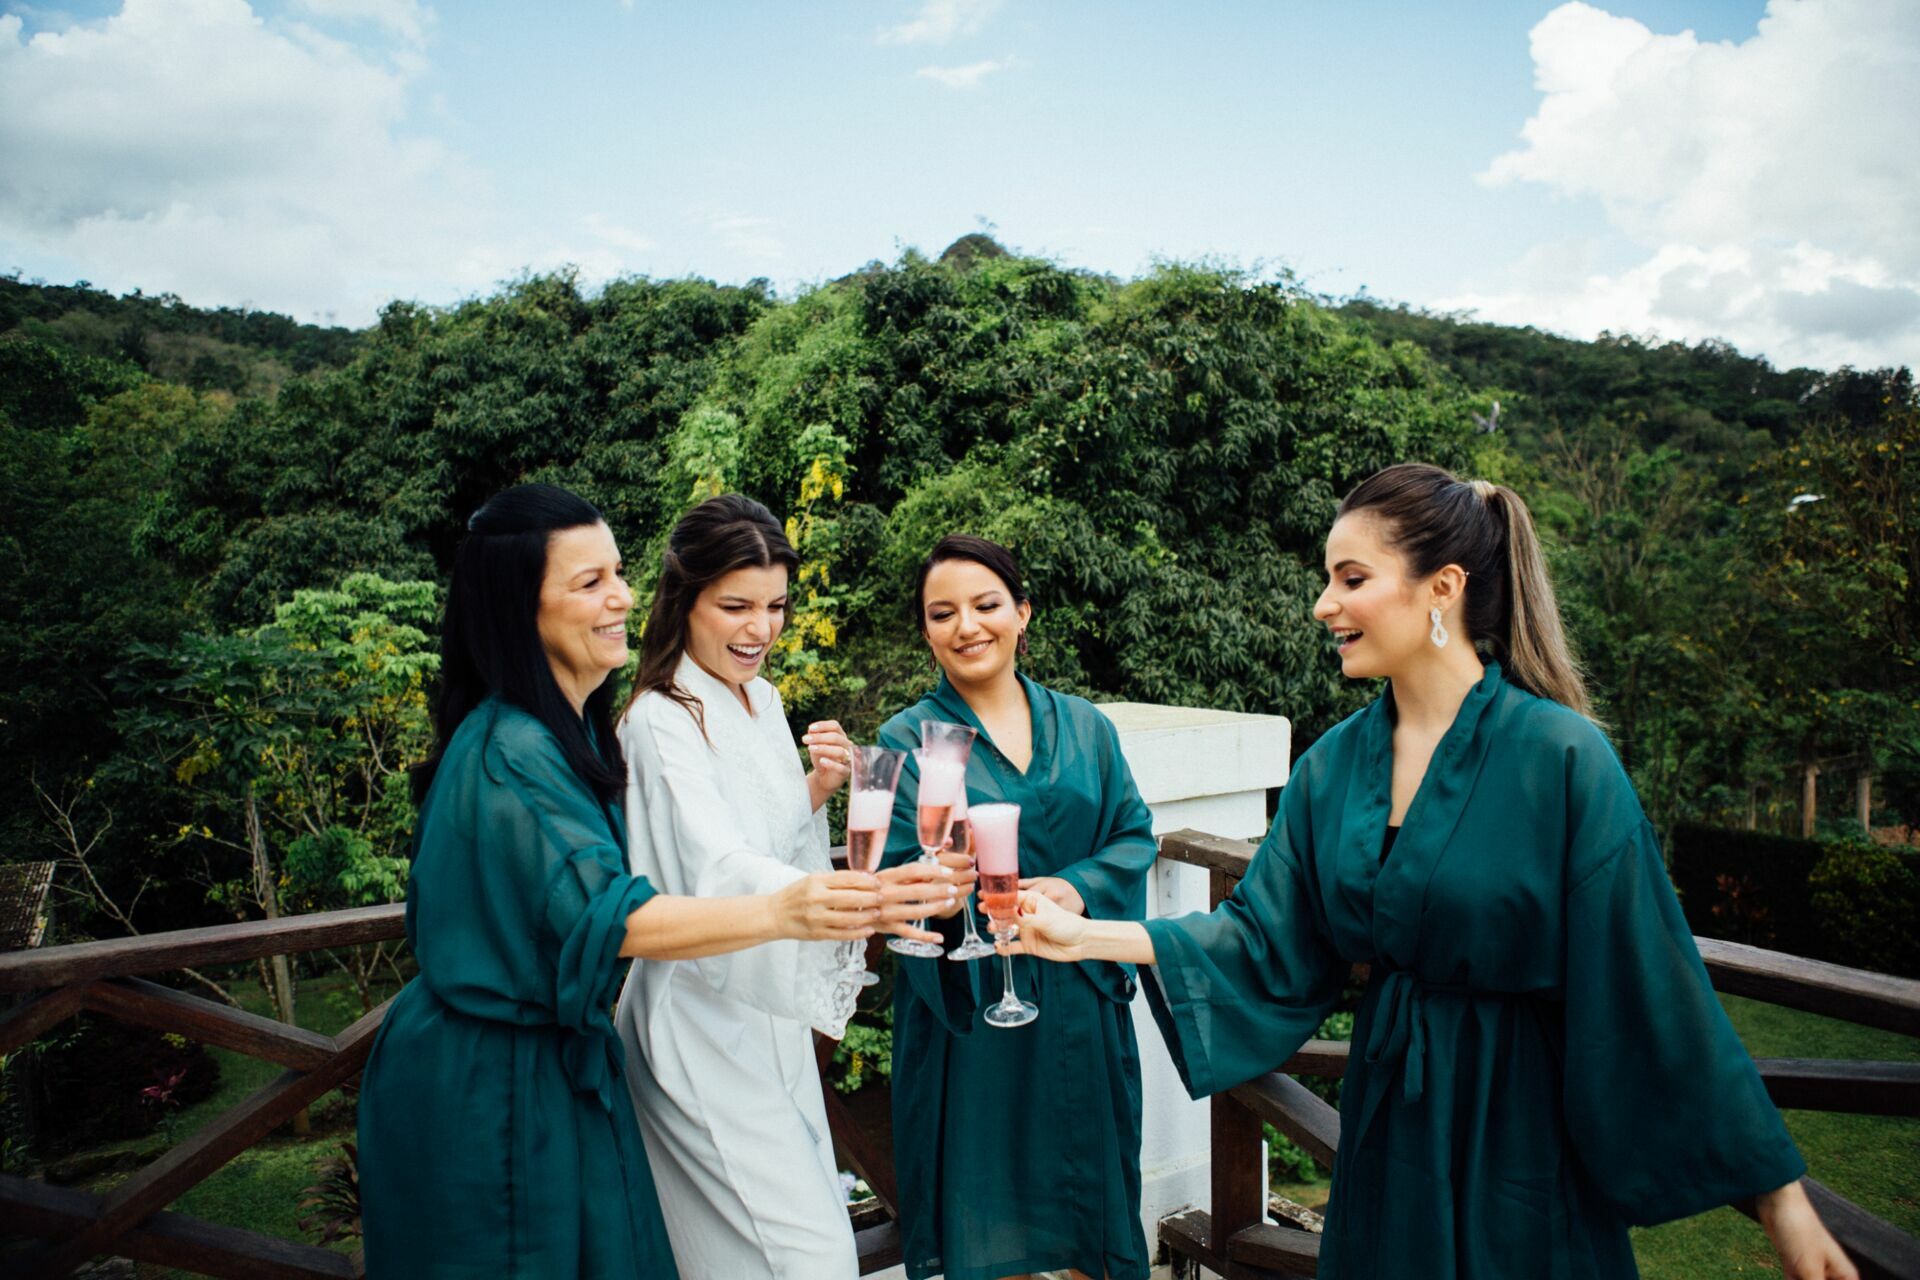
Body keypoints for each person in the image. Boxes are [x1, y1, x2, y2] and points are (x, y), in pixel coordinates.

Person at [1006, 463, 1858, 1280]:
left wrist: (1780, 1199)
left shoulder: (1561, 759)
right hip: (1389, 1121)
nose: (1322, 604)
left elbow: (1652, 982)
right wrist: (1086, 936)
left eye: (1350, 578)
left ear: (1441, 587)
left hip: (1521, 1125)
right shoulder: (1335, 766)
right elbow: (1261, 934)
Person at [358, 484, 891, 1279]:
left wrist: (813, 804)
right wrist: (794, 906)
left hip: (559, 1061)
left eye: (617, 574)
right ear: (517, 606)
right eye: (589, 582)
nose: (623, 596)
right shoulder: (513, 751)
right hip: (486, 1078)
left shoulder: (563, 731)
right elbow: (613, 914)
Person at [613, 494, 954, 1279]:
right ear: (683, 599)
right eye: (734, 606)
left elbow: (757, 834)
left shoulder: (760, 698)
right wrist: (874, 899)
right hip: (699, 1018)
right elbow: (715, 869)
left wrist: (817, 785)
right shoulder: (660, 720)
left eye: (774, 607)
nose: (759, 630)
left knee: (751, 1258)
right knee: (812, 1259)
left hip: (769, 1015)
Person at [879, 534, 1159, 1280]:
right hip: (971, 1011)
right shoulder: (910, 739)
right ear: (926, 630)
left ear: (1022, 612)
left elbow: (1133, 832)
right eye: (944, 613)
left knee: (1090, 1212)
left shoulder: (1087, 726)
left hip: (1080, 995)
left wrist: (1076, 888)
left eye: (986, 604)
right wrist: (939, 880)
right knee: (987, 1224)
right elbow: (905, 868)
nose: (967, 626)